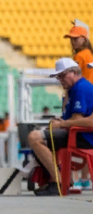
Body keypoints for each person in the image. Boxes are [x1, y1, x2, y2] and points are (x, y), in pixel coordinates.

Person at [27, 58, 93, 196]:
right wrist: (62, 121)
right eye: (58, 77)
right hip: (79, 133)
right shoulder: (75, 89)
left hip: (82, 136)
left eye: (62, 75)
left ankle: (58, 182)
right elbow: (76, 118)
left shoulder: (80, 88)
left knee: (34, 137)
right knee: (45, 135)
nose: (60, 79)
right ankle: (59, 179)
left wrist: (62, 124)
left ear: (74, 72)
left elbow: (80, 119)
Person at [64, 22, 93, 190]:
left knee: (72, 136)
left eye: (75, 39)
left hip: (83, 98)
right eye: (71, 39)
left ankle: (73, 177)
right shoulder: (89, 54)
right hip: (90, 97)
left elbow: (74, 84)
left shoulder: (79, 57)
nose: (72, 42)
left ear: (84, 38)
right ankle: (84, 177)